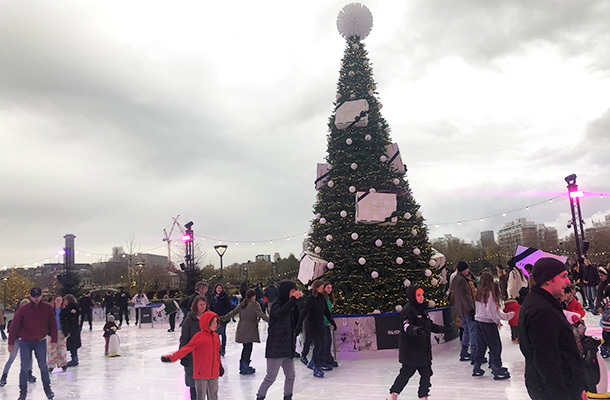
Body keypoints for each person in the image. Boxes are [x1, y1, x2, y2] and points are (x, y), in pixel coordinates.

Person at [518, 257, 587, 400]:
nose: (568, 281)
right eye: (563, 276)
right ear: (549, 279)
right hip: (555, 392)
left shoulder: (543, 303)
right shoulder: (542, 312)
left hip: (560, 388)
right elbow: (548, 364)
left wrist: (577, 387)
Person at [387, 286, 444, 400]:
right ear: (413, 296)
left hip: (423, 349)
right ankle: (393, 394)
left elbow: (428, 324)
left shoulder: (422, 308)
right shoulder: (408, 309)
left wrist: (441, 329)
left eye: (422, 294)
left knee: (426, 373)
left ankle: (423, 396)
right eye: (418, 295)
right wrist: (415, 330)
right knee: (406, 373)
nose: (421, 297)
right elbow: (406, 326)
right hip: (411, 350)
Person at [8, 287, 57, 400]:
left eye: (38, 296)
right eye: (34, 296)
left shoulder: (47, 308)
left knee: (43, 366)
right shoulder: (23, 309)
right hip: (25, 341)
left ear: (41, 296)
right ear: (30, 296)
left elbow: (53, 324)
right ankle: (22, 392)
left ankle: (47, 389)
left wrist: (54, 339)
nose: (36, 299)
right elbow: (14, 326)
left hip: (40, 341)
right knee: (24, 367)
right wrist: (11, 343)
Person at [256, 280, 302, 400]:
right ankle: (260, 397)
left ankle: (288, 396)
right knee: (270, 377)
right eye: (292, 291)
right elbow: (281, 313)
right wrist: (293, 300)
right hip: (275, 349)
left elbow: (298, 316)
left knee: (291, 376)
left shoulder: (291, 304)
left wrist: (296, 331)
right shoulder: (276, 304)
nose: (294, 293)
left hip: (287, 347)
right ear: (286, 291)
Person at [161, 311, 223, 400]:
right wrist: (171, 358)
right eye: (212, 322)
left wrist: (219, 365)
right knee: (200, 397)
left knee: (214, 396)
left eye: (216, 321)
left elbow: (217, 353)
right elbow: (186, 349)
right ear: (206, 322)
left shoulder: (216, 336)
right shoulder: (199, 336)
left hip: (214, 373)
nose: (215, 324)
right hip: (201, 373)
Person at [472, 271, 511, 379]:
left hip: (479, 321)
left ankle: (477, 366)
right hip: (487, 322)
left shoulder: (479, 292)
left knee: (482, 345)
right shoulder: (489, 293)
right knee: (495, 345)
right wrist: (497, 320)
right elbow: (490, 310)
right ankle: (497, 368)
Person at [220, 289, 269, 374]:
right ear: (253, 296)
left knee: (245, 347)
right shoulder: (254, 305)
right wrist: (272, 321)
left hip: (241, 328)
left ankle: (243, 365)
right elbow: (262, 315)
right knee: (248, 348)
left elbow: (232, 313)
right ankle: (245, 366)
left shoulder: (242, 304)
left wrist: (223, 318)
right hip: (249, 328)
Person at [296, 280, 337, 378]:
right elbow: (304, 312)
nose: (323, 289)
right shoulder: (311, 299)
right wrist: (298, 326)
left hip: (320, 325)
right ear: (317, 288)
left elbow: (326, 311)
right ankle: (317, 367)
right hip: (312, 325)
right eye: (322, 288)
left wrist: (332, 322)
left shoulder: (321, 298)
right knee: (318, 344)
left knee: (322, 344)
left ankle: (313, 363)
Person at [1, 299, 37, 388]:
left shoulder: (32, 315)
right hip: (17, 339)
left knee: (29, 357)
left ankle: (29, 373)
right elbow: (13, 329)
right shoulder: (17, 315)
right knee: (12, 357)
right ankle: (4, 376)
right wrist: (11, 343)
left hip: (28, 339)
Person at [180, 295, 208, 400]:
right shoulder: (189, 321)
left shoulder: (209, 319)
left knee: (206, 386)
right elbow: (184, 339)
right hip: (193, 358)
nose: (202, 307)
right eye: (200, 304)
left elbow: (214, 338)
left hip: (206, 357)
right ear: (195, 305)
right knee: (194, 386)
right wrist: (184, 356)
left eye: (204, 304)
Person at [450, 261, 477, 362]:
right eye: (467, 269)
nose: (468, 270)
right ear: (463, 269)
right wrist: (471, 309)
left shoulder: (456, 279)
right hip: (466, 310)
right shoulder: (461, 280)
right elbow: (465, 297)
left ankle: (464, 352)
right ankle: (475, 354)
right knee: (473, 331)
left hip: (461, 310)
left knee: (467, 331)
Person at [210, 283, 232, 357]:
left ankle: (223, 349)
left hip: (223, 318)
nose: (219, 290)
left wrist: (224, 315)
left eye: (220, 288)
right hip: (215, 318)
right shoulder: (213, 297)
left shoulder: (224, 297)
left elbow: (229, 307)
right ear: (215, 289)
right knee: (216, 334)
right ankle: (218, 349)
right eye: (218, 288)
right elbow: (211, 306)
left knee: (222, 333)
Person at [47, 296, 68, 373]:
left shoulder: (65, 310)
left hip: (61, 332)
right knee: (51, 349)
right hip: (51, 332)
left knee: (61, 349)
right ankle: (51, 365)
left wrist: (68, 331)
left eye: (60, 300)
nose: (58, 301)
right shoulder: (50, 310)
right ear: (54, 301)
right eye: (57, 300)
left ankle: (63, 364)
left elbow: (69, 321)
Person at [60, 294, 81, 368]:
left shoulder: (71, 307)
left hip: (72, 329)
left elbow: (72, 317)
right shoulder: (74, 306)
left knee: (73, 344)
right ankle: (74, 358)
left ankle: (74, 359)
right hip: (74, 328)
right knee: (73, 344)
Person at [321, 281, 338, 369]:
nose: (330, 290)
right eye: (328, 288)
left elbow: (329, 311)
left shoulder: (329, 298)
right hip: (322, 322)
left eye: (331, 288)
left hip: (327, 322)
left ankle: (328, 358)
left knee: (328, 341)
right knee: (325, 342)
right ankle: (324, 360)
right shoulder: (323, 298)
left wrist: (330, 321)